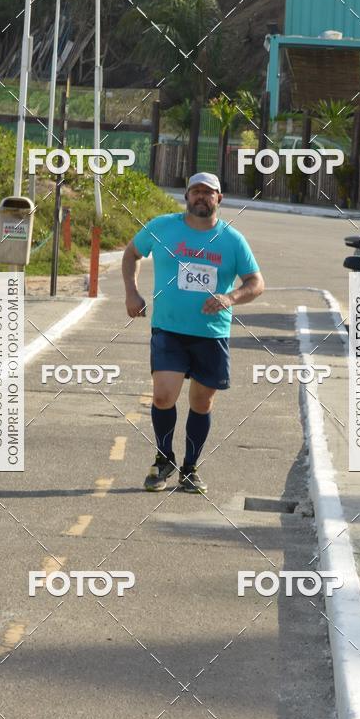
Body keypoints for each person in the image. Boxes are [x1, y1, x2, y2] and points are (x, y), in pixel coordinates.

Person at [122, 172, 264, 494]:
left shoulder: (232, 240)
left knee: (201, 401)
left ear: (219, 198)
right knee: (163, 395)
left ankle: (190, 467)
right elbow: (132, 253)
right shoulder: (162, 227)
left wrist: (230, 298)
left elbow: (256, 283)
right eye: (195, 192)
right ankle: (163, 459)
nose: (201, 197)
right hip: (169, 328)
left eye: (208, 193)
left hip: (211, 333)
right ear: (186, 196)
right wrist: (132, 292)